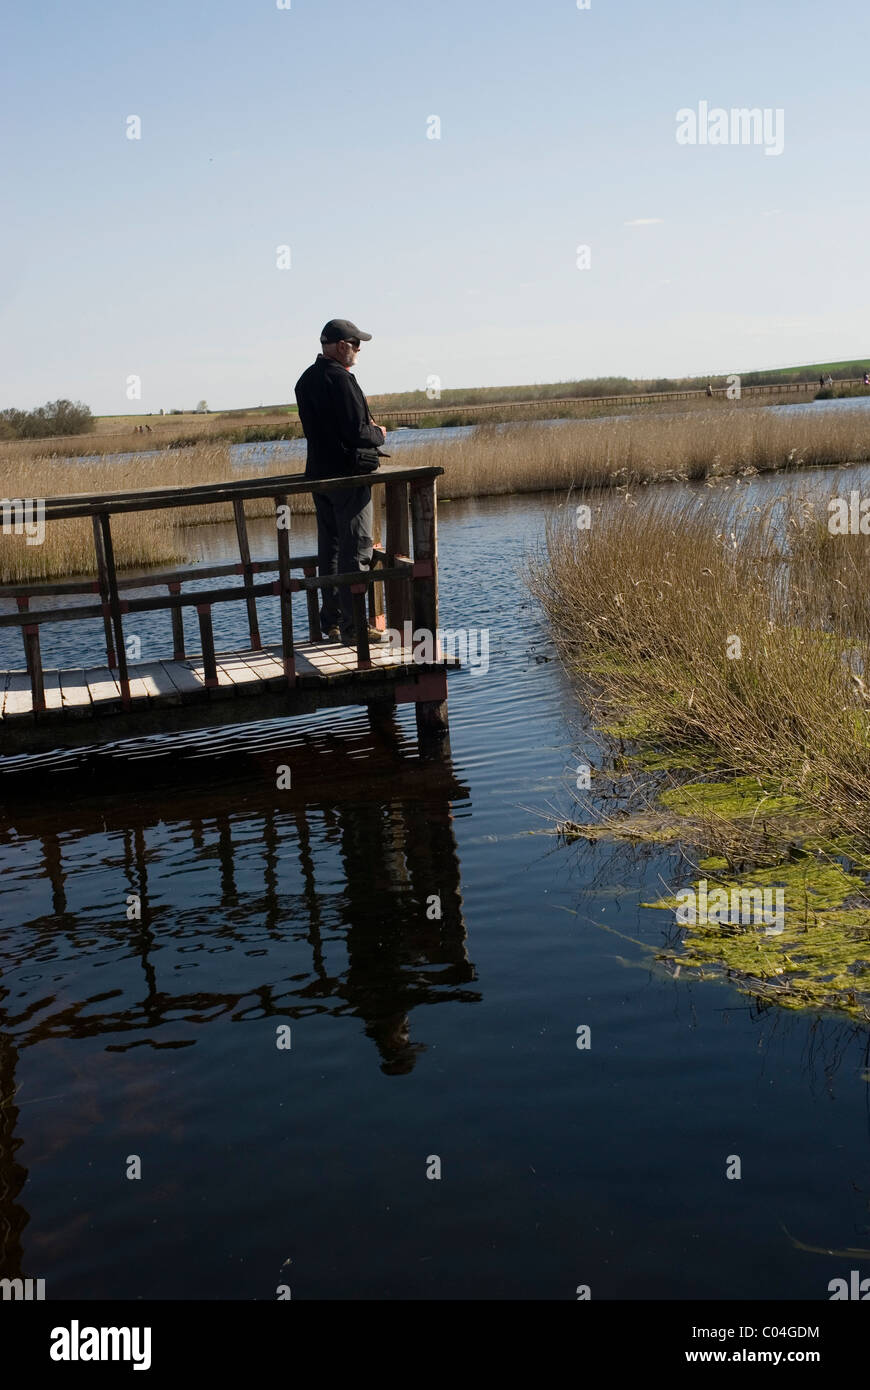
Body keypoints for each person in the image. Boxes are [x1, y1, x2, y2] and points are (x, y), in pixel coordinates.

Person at [294, 318, 387, 645]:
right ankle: (354, 627)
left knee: (330, 549)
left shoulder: (305, 380)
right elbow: (357, 432)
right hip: (348, 475)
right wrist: (379, 434)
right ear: (341, 346)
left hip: (319, 476)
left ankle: (332, 622)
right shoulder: (341, 379)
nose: (359, 349)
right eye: (355, 343)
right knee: (357, 548)